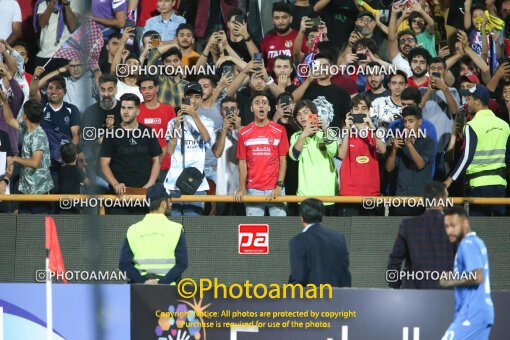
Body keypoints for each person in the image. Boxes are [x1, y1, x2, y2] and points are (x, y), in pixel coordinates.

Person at [444, 84, 510, 216]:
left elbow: (467, 156)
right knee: (500, 231)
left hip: (478, 185)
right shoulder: (505, 125)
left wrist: (449, 180)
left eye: (468, 99)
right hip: (499, 186)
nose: (466, 103)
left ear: (477, 101)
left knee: (478, 229)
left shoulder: (472, 125)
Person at [99, 93, 162, 214]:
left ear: (138, 111)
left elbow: (157, 160)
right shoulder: (111, 133)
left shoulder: (148, 131)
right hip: (119, 195)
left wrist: (150, 184)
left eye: (130, 108)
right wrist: (115, 183)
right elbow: (104, 164)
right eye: (123, 108)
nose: (126, 112)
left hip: (142, 195)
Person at [387, 181, 455, 289]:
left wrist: (396, 286)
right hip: (444, 295)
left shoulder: (407, 225)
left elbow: (394, 261)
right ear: (442, 200)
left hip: (413, 293)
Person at [440, 206, 494, 340]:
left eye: (453, 225)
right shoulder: (476, 242)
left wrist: (450, 281)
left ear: (465, 223)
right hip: (481, 312)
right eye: (446, 226)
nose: (449, 231)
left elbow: (477, 276)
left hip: (472, 313)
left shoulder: (467, 244)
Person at [119, 183, 188, 284]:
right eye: (170, 200)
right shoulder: (176, 229)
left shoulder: (133, 229)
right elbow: (182, 264)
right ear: (164, 204)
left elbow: (124, 264)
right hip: (168, 290)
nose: (171, 203)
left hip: (139, 291)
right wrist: (160, 283)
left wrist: (144, 282)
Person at [235, 91, 289, 216]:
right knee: (254, 229)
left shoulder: (280, 130)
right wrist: (242, 188)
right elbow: (242, 163)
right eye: (257, 103)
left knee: (280, 230)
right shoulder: (244, 133)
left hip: (275, 189)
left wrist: (279, 187)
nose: (261, 106)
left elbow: (283, 160)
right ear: (251, 108)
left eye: (264, 103)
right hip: (253, 190)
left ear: (269, 108)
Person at [164, 82, 214, 216]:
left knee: (193, 227)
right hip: (174, 182)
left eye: (197, 96)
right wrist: (176, 126)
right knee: (173, 228)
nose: (193, 100)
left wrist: (194, 116)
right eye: (190, 96)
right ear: (184, 99)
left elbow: (208, 141)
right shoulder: (173, 122)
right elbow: (169, 151)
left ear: (201, 99)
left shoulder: (207, 122)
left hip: (196, 183)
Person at [1, 98, 54, 213]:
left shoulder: (39, 135)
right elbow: (9, 119)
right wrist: (5, 102)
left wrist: (15, 158)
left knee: (39, 228)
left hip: (40, 191)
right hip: (26, 189)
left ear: (25, 116)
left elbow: (35, 162)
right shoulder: (26, 128)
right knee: (25, 226)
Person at [288, 198, 351, 287]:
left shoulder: (298, 241)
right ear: (322, 216)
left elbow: (298, 278)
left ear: (301, 217)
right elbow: (345, 275)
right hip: (338, 297)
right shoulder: (339, 238)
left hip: (311, 298)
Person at [289, 100, 338, 215]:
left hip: (328, 195)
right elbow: (294, 156)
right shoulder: (296, 137)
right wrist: (303, 136)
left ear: (314, 114)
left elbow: (333, 151)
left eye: (305, 112)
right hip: (305, 196)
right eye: (298, 114)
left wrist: (325, 129)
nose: (302, 117)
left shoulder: (327, 133)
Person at [386, 105, 435, 215]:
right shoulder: (399, 142)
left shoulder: (428, 141)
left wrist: (409, 144)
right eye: (405, 121)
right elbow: (389, 169)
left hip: (421, 199)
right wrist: (393, 150)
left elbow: (420, 164)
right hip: (401, 198)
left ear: (420, 122)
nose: (407, 125)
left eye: (411, 121)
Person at [137, 75, 176, 184]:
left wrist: (165, 155)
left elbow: (174, 135)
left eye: (150, 87)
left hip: (165, 164)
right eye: (143, 89)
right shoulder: (136, 110)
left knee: (163, 200)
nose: (147, 91)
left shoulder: (168, 110)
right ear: (140, 91)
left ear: (157, 88)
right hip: (142, 165)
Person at [212, 96, 243, 216]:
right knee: (224, 230)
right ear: (221, 112)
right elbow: (217, 153)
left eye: (233, 108)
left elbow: (248, 154)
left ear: (238, 112)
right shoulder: (216, 133)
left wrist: (239, 129)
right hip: (222, 191)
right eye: (226, 109)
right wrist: (224, 130)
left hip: (241, 190)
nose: (230, 112)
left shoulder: (245, 131)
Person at [260, 2, 299, 71]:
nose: (280, 21)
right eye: (277, 18)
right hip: (270, 80)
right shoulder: (266, 39)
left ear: (291, 19)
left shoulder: (299, 37)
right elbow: (258, 61)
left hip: (295, 80)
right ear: (272, 20)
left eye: (284, 17)